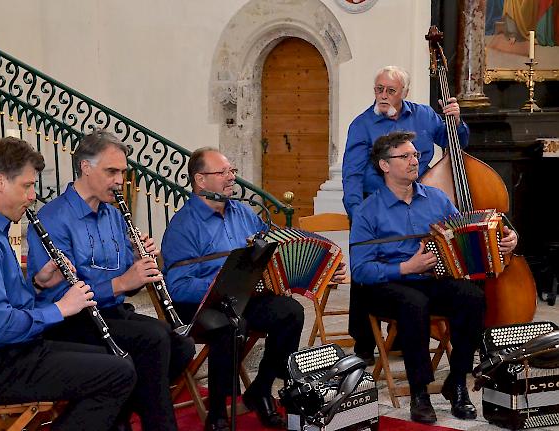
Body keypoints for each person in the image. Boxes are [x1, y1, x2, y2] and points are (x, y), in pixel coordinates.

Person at [0, 137, 136, 431]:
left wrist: (39, 285)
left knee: (117, 360)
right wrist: (60, 309)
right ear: (0, 181)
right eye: (27, 186)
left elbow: (3, 303)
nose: (32, 196)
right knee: (117, 374)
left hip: (6, 352)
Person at [161, 147, 346, 431]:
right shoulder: (182, 226)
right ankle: (218, 415)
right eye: (222, 172)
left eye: (232, 171)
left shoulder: (243, 213)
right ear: (200, 180)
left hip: (245, 297)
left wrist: (320, 273)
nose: (231, 177)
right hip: (202, 305)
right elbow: (177, 287)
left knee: (291, 312)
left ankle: (260, 389)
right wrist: (219, 287)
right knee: (232, 324)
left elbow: (274, 251)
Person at [27, 130, 195, 431]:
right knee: (153, 341)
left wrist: (139, 260)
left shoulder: (113, 215)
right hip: (71, 323)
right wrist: (121, 283)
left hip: (111, 314)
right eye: (112, 172)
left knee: (181, 345)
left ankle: (116, 413)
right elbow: (60, 294)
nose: (120, 181)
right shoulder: (54, 218)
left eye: (123, 173)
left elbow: (125, 277)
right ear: (85, 167)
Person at [349, 131, 518, 424]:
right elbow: (360, 270)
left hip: (431, 278)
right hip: (387, 285)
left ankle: (457, 383)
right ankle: (419, 392)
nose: (415, 161)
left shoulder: (437, 199)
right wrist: (405, 268)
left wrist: (505, 239)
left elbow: (470, 232)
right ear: (385, 165)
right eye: (405, 156)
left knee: (471, 297)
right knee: (413, 303)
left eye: (415, 155)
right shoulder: (367, 211)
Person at [342, 65, 470, 364]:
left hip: (417, 201)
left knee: (418, 265)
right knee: (371, 264)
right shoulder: (363, 124)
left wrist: (456, 122)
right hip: (376, 205)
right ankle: (364, 343)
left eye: (390, 90)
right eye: (378, 89)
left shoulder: (424, 115)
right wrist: (356, 212)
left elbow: (456, 145)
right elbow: (352, 172)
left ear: (404, 93)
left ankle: (402, 337)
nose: (383, 95)